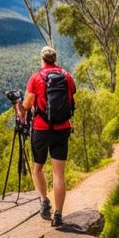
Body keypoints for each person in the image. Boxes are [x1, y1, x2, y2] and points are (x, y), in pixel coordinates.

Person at [21, 46, 76, 227]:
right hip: (62, 129)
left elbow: (26, 108)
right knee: (59, 174)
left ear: (42, 60)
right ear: (55, 59)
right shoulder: (67, 76)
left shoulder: (36, 78)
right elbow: (71, 96)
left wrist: (16, 103)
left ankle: (45, 202)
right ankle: (58, 215)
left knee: (38, 168)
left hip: (41, 130)